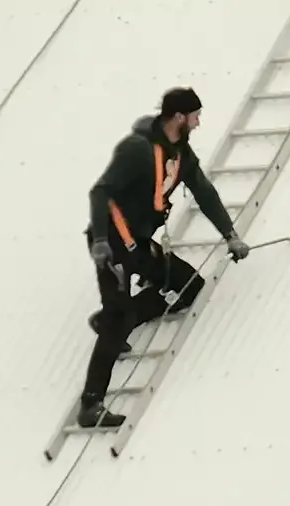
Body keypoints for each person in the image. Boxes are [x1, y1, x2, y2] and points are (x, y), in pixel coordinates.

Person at [79, 86, 251, 429]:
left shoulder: (180, 154)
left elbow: (203, 191)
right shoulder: (136, 150)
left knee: (190, 286)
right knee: (118, 318)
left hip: (139, 244)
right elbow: (100, 192)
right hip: (112, 244)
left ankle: (117, 318)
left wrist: (230, 235)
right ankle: (91, 405)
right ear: (178, 117)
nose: (198, 123)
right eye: (195, 116)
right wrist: (99, 239)